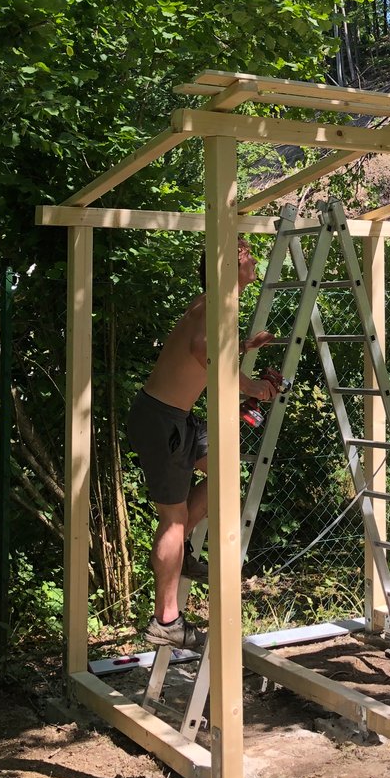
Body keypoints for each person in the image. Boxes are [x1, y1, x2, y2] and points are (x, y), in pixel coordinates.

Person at [128, 238, 279, 649]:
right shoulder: (213, 304)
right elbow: (202, 351)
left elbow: (204, 346)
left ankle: (181, 552)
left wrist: (245, 347)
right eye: (244, 253)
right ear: (226, 267)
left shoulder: (215, 304)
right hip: (162, 420)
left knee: (224, 475)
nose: (253, 257)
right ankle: (166, 621)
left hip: (176, 418)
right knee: (173, 519)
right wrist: (252, 387)